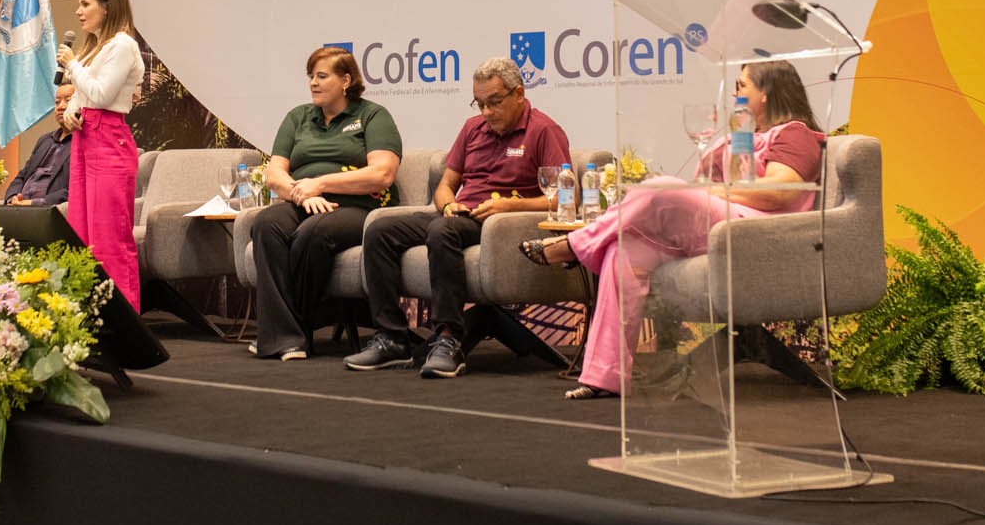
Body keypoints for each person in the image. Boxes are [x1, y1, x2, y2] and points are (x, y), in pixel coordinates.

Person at [521, 59, 826, 400]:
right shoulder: (744, 135)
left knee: (660, 187)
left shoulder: (795, 134)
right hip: (715, 224)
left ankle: (575, 245)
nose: (735, 94)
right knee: (623, 250)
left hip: (754, 229)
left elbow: (779, 191)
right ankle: (604, 376)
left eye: (742, 86)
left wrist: (708, 189)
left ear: (766, 93)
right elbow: (711, 183)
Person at [345, 57, 570, 379]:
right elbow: (446, 186)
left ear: (519, 93)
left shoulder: (544, 131)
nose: (487, 112)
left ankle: (448, 339)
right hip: (461, 215)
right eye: (480, 103)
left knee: (442, 231)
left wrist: (508, 207)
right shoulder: (472, 128)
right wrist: (448, 204)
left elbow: (565, 199)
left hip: (503, 224)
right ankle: (392, 337)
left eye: (495, 102)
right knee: (381, 230)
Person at [250, 47, 403, 361]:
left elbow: (382, 174)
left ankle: (292, 330)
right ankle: (287, 339)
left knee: (314, 233)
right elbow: (274, 173)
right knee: (266, 224)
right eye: (311, 76)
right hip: (304, 200)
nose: (313, 83)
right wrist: (301, 193)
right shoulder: (298, 117)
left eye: (322, 76)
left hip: (359, 207)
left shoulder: (372, 115)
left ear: (346, 80)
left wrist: (320, 184)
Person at [57, 0, 144, 309]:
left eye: (85, 4)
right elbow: (83, 98)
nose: (78, 11)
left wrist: (72, 64)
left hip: (109, 141)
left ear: (106, 8)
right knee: (82, 234)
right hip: (85, 138)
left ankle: (123, 320)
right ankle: (88, 317)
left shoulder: (123, 45)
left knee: (110, 239)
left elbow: (102, 94)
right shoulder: (97, 47)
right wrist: (71, 115)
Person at [4, 82, 75, 207]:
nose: (61, 107)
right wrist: (12, 199)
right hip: (21, 208)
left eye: (68, 100)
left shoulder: (84, 143)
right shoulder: (44, 140)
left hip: (50, 210)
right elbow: (22, 176)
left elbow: (76, 190)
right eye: (57, 102)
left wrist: (34, 203)